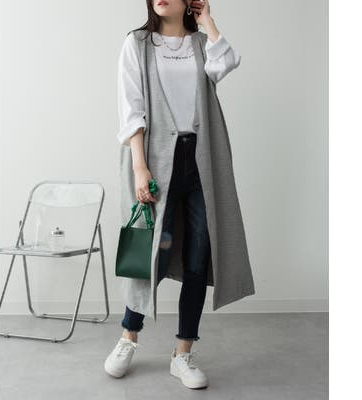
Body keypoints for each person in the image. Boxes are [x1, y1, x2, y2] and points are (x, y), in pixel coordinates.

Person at [105, 0, 242, 389]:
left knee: (199, 251)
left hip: (200, 158)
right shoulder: (137, 43)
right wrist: (139, 167)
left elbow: (227, 62)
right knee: (151, 251)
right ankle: (128, 336)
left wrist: (208, 22)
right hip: (155, 159)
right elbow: (131, 107)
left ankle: (183, 353)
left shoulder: (201, 45)